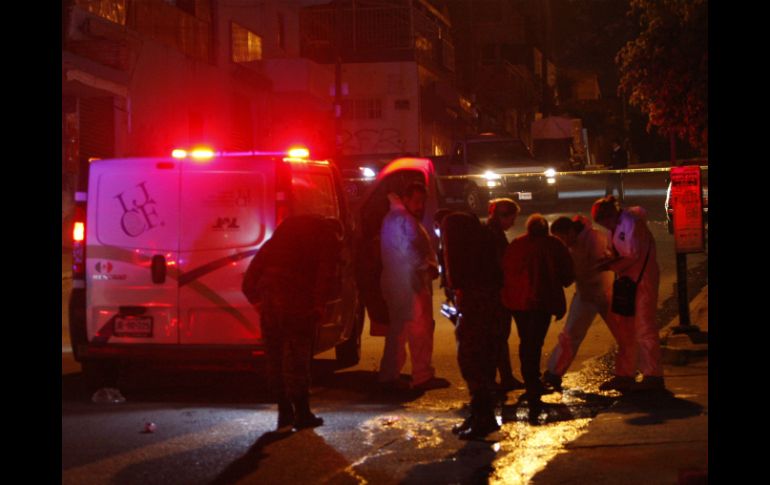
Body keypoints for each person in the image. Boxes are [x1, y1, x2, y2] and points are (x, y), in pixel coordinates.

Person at [242, 215, 343, 430]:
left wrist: (258, 300)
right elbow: (326, 273)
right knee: (298, 357)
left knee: (275, 356)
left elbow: (249, 278)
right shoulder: (328, 238)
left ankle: (284, 411)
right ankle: (302, 412)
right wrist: (319, 305)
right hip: (298, 300)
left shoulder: (279, 239)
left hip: (270, 298)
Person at [591, 196, 664, 391]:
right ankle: (625, 373)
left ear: (611, 215)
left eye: (604, 221)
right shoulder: (617, 225)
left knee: (644, 328)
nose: (605, 225)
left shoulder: (631, 223)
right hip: (628, 280)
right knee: (625, 329)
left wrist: (607, 265)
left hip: (642, 281)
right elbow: (618, 251)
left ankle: (653, 375)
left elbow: (632, 254)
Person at [441, 210, 502, 439]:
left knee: (475, 365)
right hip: (479, 315)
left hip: (478, 318)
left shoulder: (473, 262)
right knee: (477, 366)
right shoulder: (481, 249)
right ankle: (480, 415)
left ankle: (483, 418)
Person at [501, 214, 575, 400]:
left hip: (517, 303)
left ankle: (530, 379)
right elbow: (567, 274)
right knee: (534, 342)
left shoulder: (516, 244)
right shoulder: (553, 245)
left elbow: (506, 271)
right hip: (541, 302)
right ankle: (533, 382)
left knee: (526, 340)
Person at [378, 182, 441, 391]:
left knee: (403, 330)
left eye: (422, 201)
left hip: (405, 282)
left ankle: (393, 375)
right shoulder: (401, 220)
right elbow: (409, 250)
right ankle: (417, 375)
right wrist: (427, 267)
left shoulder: (398, 218)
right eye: (416, 201)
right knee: (415, 330)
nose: (420, 205)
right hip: (409, 283)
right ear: (405, 199)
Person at [542, 215, 615, 391]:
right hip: (586, 293)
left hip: (604, 293)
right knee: (570, 334)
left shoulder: (594, 238)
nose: (561, 242)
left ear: (571, 232)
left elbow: (597, 266)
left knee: (623, 333)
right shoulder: (574, 243)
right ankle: (554, 373)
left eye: (562, 237)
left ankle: (643, 370)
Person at [484, 198, 525, 392]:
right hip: (495, 294)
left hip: (491, 293)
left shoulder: (489, 232)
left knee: (496, 337)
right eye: (512, 218)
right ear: (502, 216)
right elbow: (501, 266)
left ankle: (502, 377)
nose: (513, 223)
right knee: (498, 337)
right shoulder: (494, 236)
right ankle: (500, 379)